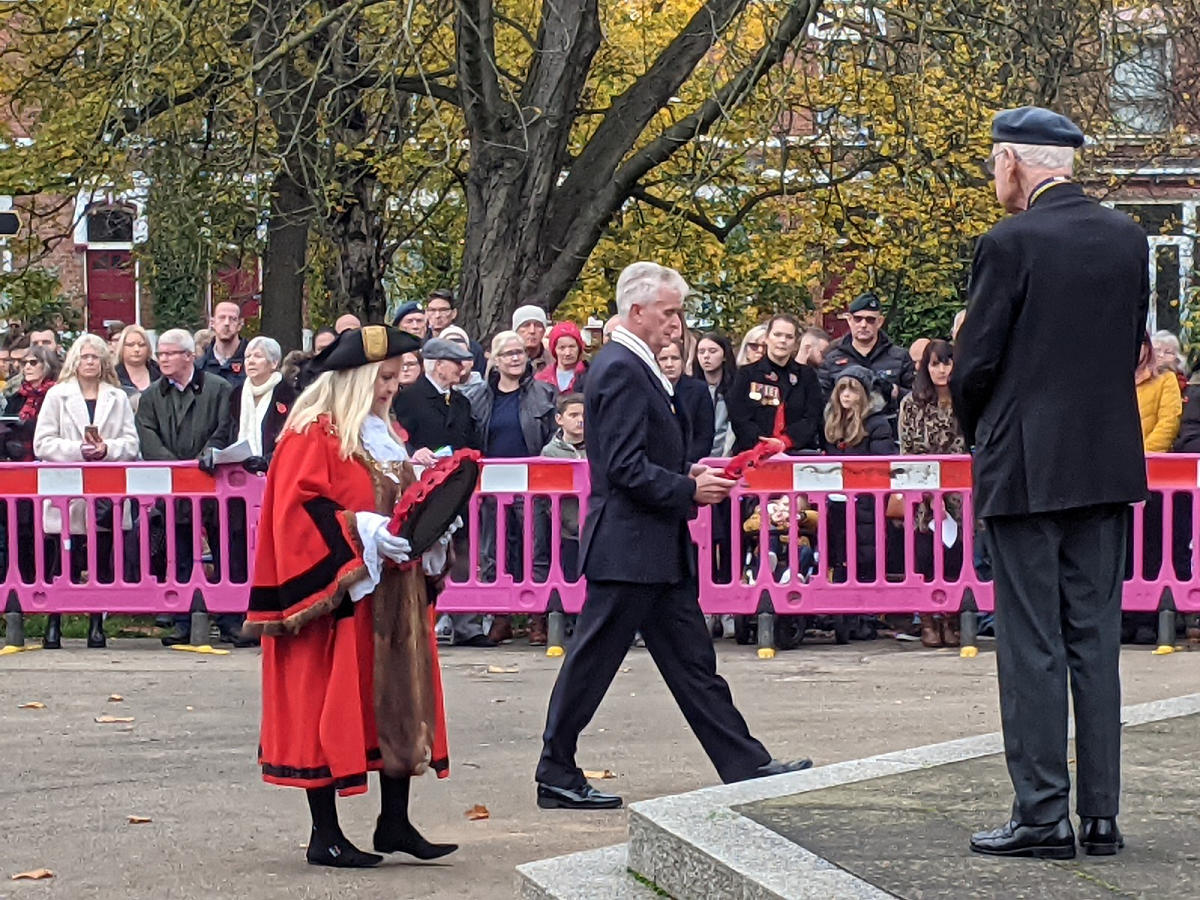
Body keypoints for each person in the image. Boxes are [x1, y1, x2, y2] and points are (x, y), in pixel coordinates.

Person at [535, 261, 811, 811]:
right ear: (636, 312)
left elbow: (637, 461)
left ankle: (744, 763)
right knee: (593, 661)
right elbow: (620, 467)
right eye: (669, 312)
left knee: (692, 664)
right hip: (629, 548)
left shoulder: (634, 368)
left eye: (680, 313)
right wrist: (689, 490)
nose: (678, 324)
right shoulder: (619, 368)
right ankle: (555, 769)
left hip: (652, 548)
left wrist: (688, 478)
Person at [953, 107, 1149, 860]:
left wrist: (986, 432)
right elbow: (1131, 345)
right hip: (1104, 464)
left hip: (1027, 466)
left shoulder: (1008, 242)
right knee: (1093, 640)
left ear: (1013, 163)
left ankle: (1041, 814)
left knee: (1032, 644)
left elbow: (975, 364)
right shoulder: (1128, 239)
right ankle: (1100, 815)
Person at [243, 325, 457, 869]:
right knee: (328, 706)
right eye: (382, 378)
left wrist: (428, 524)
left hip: (392, 594)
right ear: (354, 379)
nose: (390, 389)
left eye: (395, 378)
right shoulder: (311, 434)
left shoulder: (387, 434)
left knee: (397, 701)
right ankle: (326, 834)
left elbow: (401, 507)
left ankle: (395, 822)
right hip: (340, 597)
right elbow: (295, 514)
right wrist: (362, 530)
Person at [33, 334, 140, 650]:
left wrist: (107, 449)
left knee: (101, 561)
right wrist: (77, 450)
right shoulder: (57, 395)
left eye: (95, 357)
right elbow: (43, 442)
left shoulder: (117, 397)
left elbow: (131, 443)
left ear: (104, 361)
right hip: (66, 491)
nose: (90, 362)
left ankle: (97, 625)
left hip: (106, 492)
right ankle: (53, 624)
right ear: (74, 361)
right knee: (60, 560)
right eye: (84, 357)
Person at [135, 329, 238, 646]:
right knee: (178, 554)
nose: (163, 359)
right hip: (173, 489)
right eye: (160, 354)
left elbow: (226, 428)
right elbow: (147, 434)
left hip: (214, 485)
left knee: (225, 553)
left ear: (189, 356)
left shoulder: (219, 389)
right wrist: (176, 469)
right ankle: (182, 618)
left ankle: (230, 619)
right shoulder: (152, 396)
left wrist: (202, 460)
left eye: (169, 353)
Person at [465, 331, 557, 644]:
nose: (515, 358)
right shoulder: (478, 397)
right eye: (508, 354)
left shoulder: (544, 393)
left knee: (537, 549)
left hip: (533, 483)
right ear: (495, 359)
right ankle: (499, 617)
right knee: (493, 551)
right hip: (491, 484)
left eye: (519, 352)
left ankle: (537, 619)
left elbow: (553, 436)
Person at [899, 340, 966, 647]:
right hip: (923, 493)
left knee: (955, 558)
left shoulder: (965, 400)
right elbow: (909, 448)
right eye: (935, 364)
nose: (941, 370)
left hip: (958, 492)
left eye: (947, 363)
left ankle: (951, 618)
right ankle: (927, 619)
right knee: (924, 557)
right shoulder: (912, 403)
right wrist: (929, 490)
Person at [823, 366, 898, 592]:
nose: (846, 394)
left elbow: (883, 464)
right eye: (842, 389)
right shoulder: (831, 423)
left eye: (853, 390)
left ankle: (867, 615)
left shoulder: (877, 424)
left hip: (867, 502)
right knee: (839, 556)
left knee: (866, 555)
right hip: (837, 502)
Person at [728, 314, 823, 454]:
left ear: (796, 342)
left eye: (789, 337)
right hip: (753, 453)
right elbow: (738, 416)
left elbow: (812, 417)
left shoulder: (807, 376)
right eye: (777, 335)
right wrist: (764, 445)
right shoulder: (747, 374)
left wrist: (785, 442)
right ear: (766, 338)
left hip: (796, 452)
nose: (782, 341)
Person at [818, 293, 914, 428]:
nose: (863, 325)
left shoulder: (900, 357)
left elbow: (916, 399)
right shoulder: (832, 359)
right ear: (849, 320)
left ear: (880, 322)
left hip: (887, 434)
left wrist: (894, 391)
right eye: (858, 319)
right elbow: (821, 402)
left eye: (870, 320)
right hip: (845, 436)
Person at [218, 336, 295, 471]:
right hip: (237, 473)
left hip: (276, 472)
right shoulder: (236, 394)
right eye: (247, 357)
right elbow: (224, 430)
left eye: (258, 356)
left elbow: (293, 441)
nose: (251, 361)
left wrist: (268, 460)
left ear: (274, 363)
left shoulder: (288, 396)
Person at [392, 338, 479, 454]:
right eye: (456, 362)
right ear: (439, 365)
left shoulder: (462, 402)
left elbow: (470, 442)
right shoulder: (408, 398)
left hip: (460, 470)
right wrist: (415, 452)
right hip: (422, 470)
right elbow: (398, 438)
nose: (461, 368)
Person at [540, 393, 586, 581]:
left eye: (584, 415)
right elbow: (548, 496)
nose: (580, 421)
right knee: (569, 575)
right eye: (573, 415)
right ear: (559, 419)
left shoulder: (600, 447)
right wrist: (568, 523)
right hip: (568, 531)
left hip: (598, 527)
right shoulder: (550, 452)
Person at [658, 338, 715, 464]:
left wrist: (684, 462)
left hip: (690, 462)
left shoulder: (699, 390)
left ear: (683, 361)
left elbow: (705, 436)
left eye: (675, 358)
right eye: (663, 359)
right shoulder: (649, 388)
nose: (669, 364)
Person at [1137, 335, 1183, 452]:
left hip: (1149, 460)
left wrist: (1143, 454)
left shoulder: (1166, 378)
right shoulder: (1113, 380)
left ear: (1147, 348)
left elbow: (1168, 423)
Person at [695, 332, 737, 457]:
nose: (706, 356)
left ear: (724, 355)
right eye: (701, 352)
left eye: (712, 351)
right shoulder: (690, 389)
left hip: (729, 456)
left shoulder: (736, 388)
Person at [426, 289, 487, 373]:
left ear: (454, 313)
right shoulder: (420, 347)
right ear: (426, 313)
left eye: (443, 310)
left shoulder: (472, 348)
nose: (437, 315)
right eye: (432, 310)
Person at [197, 301, 248, 388]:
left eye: (233, 319)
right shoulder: (199, 366)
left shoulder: (251, 362)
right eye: (222, 317)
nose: (227, 323)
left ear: (240, 324)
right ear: (212, 323)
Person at [534, 321, 587, 394]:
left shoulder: (590, 376)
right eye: (562, 348)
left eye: (572, 346)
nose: (567, 353)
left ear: (579, 348)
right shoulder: (542, 378)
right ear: (554, 350)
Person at [114, 324, 161, 397]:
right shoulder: (113, 376)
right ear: (122, 348)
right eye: (130, 345)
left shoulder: (160, 373)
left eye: (141, 345)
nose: (137, 349)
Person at [513, 305, 550, 374]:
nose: (532, 331)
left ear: (544, 330)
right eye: (526, 325)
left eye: (538, 325)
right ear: (516, 330)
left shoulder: (554, 361)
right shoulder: (504, 361)